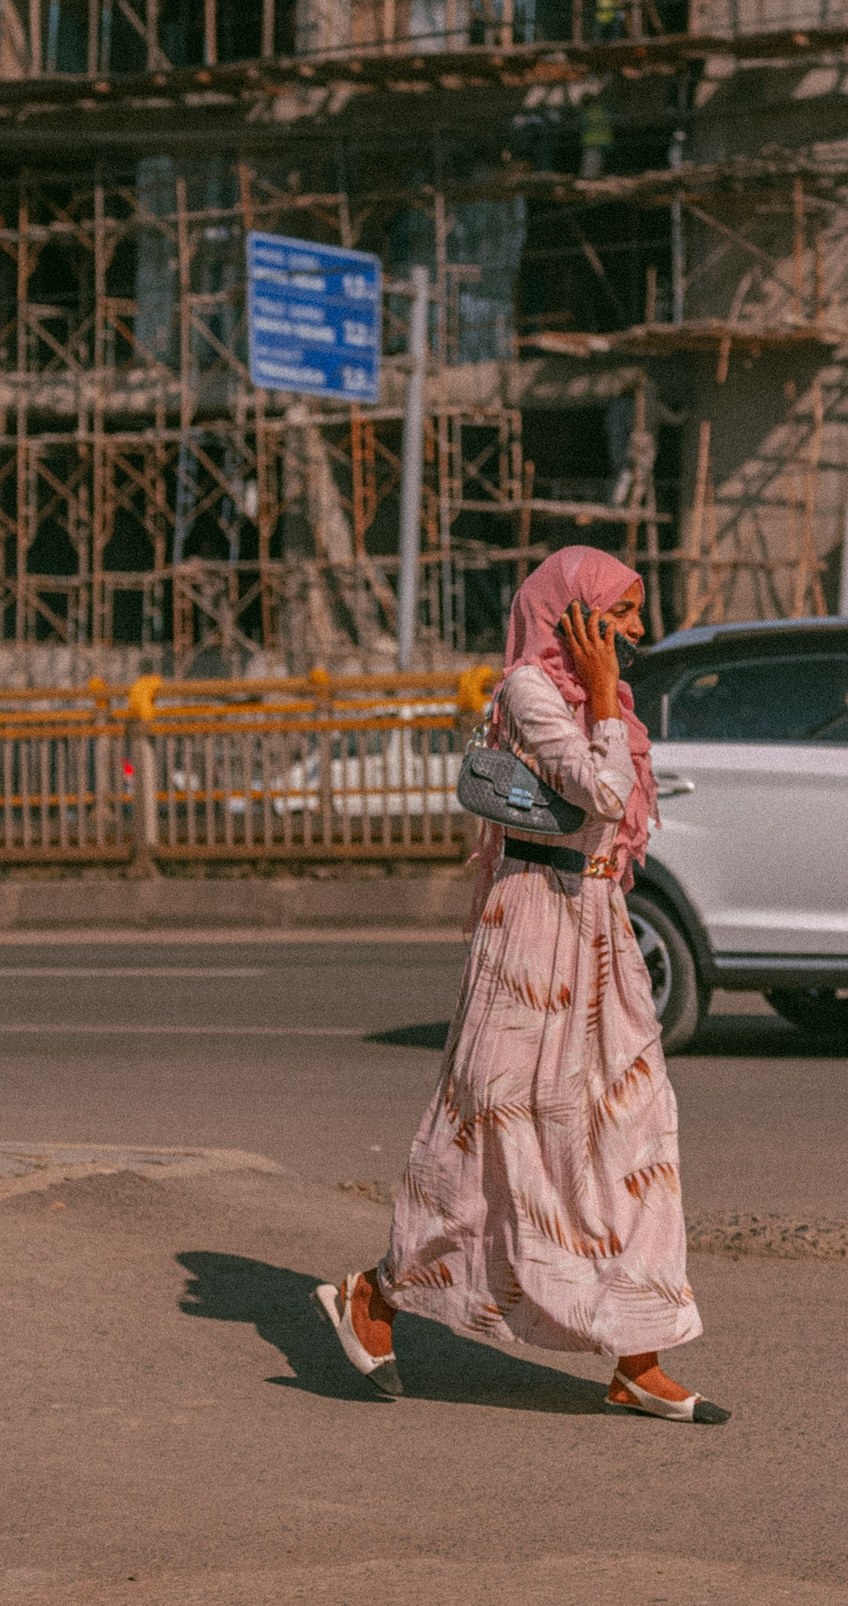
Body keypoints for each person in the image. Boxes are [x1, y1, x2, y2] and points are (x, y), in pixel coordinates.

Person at [315, 546, 727, 1424]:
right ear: (574, 617)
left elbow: (617, 819)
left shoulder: (592, 697)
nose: (638, 633)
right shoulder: (531, 694)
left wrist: (608, 692)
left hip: (598, 932)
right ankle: (375, 1296)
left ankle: (638, 1353)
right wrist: (607, 687)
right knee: (486, 1139)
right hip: (529, 930)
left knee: (635, 1129)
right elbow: (602, 792)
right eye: (622, 615)